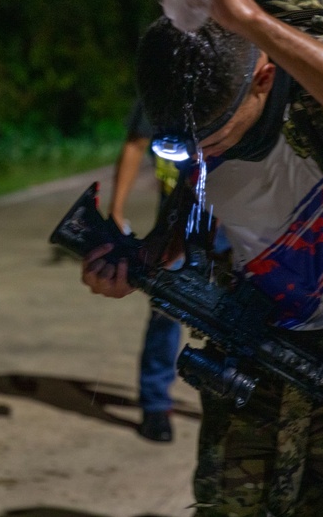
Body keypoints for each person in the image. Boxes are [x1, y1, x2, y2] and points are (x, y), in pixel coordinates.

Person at [81, 0, 323, 516]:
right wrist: (141, 261)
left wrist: (252, 22)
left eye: (216, 138)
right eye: (185, 147)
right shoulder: (195, 111)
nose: (203, 158)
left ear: (263, 76)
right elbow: (191, 211)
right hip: (260, 345)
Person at [107, 100, 183, 443]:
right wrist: (116, 209)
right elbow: (136, 142)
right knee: (165, 308)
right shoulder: (162, 81)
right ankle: (155, 404)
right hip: (174, 217)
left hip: (233, 220)